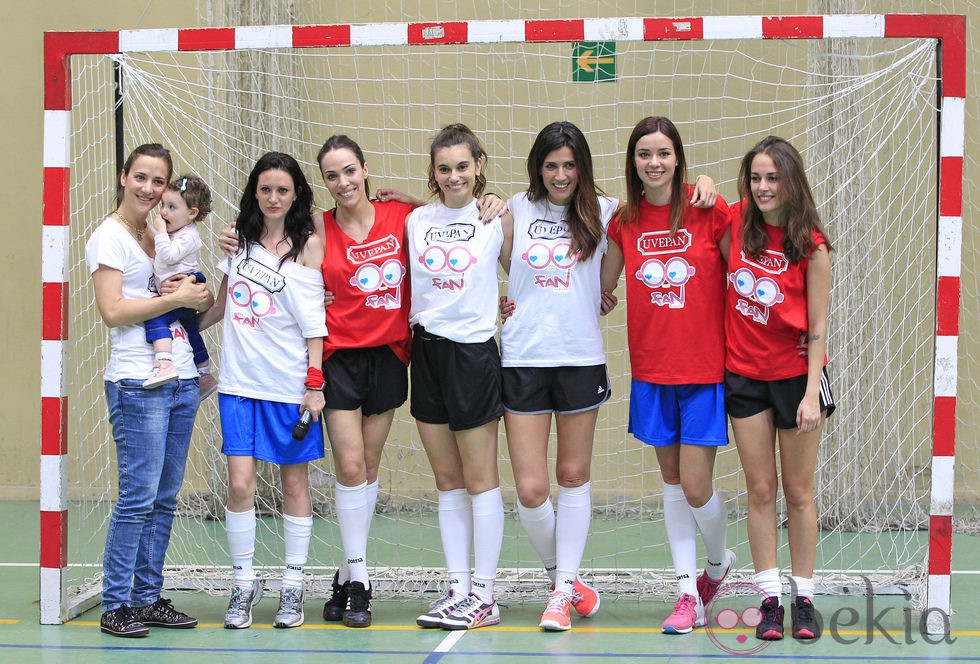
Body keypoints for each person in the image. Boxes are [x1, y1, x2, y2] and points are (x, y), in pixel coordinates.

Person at [215, 138, 506, 629]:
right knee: (349, 466)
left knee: (368, 465)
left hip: (391, 355)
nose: (343, 182)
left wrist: (484, 199)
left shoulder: (403, 217)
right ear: (323, 183)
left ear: (365, 170)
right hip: (338, 359)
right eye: (332, 176)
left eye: (350, 171)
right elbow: (283, 270)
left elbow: (441, 215)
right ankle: (359, 580)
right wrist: (233, 237)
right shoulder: (316, 230)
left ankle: (349, 567)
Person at [601, 116, 735, 635]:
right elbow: (603, 285)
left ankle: (719, 564)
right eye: (643, 154)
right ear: (633, 162)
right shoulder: (625, 220)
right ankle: (686, 593)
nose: (653, 163)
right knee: (674, 481)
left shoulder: (709, 210)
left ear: (678, 157)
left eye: (662, 153)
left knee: (697, 485)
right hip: (652, 370)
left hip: (704, 370)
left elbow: (742, 277)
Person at [85, 143, 212, 638]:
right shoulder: (110, 236)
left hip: (179, 377)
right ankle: (116, 603)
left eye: (158, 182)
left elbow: (178, 302)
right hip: (139, 381)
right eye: (141, 177)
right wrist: (175, 297)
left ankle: (146, 596)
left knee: (164, 497)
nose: (148, 189)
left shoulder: (159, 235)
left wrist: (196, 296)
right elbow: (113, 311)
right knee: (137, 498)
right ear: (123, 177)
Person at [199, 152, 328, 630]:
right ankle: (243, 582)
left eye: (283, 190)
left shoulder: (308, 246)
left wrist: (314, 386)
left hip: (289, 385)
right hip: (238, 384)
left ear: (296, 195)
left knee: (294, 484)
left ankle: (292, 587)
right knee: (239, 484)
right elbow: (220, 304)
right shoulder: (238, 241)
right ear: (255, 191)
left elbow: (315, 324)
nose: (274, 198)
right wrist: (183, 328)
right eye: (266, 188)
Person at [496, 121, 616, 631]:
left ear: (582, 167)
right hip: (522, 356)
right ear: (537, 167)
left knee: (572, 477)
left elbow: (659, 210)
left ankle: (561, 593)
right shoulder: (513, 209)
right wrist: (416, 200)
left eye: (569, 165)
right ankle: (563, 579)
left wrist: (604, 290)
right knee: (529, 488)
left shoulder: (606, 212)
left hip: (579, 357)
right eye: (551, 165)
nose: (561, 174)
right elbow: (457, 223)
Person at [724, 136, 835, 641]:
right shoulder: (735, 221)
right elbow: (690, 199)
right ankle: (769, 599)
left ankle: (804, 597)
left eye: (773, 177)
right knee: (760, 489)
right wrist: (704, 183)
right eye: (756, 177)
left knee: (798, 491)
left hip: (797, 378)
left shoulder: (811, 244)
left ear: (791, 180)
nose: (764, 186)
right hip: (745, 375)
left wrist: (812, 393)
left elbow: (817, 328)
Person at [409, 123, 514, 630]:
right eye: (444, 167)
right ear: (433, 172)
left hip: (472, 356)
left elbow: (532, 270)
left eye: (463, 166)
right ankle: (457, 589)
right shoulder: (415, 220)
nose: (454, 176)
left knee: (479, 480)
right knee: (447, 482)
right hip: (425, 354)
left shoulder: (496, 218)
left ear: (479, 166)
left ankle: (485, 595)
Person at [141, 175, 218, 397]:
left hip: (188, 283)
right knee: (190, 328)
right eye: (163, 205)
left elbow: (167, 255)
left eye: (172, 207)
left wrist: (160, 232)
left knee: (155, 315)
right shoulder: (178, 232)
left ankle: (164, 363)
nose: (164, 212)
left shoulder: (188, 236)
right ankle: (204, 374)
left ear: (192, 213)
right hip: (183, 287)